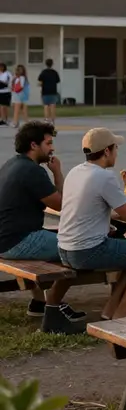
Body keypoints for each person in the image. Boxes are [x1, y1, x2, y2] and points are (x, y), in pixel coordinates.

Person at [56, 128, 126, 318]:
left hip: (64, 248)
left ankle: (110, 309)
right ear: (107, 151)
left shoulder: (75, 171)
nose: (117, 152)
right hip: (86, 251)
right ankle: (124, 311)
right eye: (115, 147)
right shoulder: (103, 176)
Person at [0, 121, 86, 334]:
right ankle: (54, 307)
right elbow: (62, 205)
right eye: (48, 143)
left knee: (58, 239)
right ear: (34, 145)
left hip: (6, 238)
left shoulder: (12, 164)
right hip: (18, 241)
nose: (52, 148)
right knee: (77, 247)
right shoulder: (32, 171)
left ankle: (39, 302)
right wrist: (57, 172)